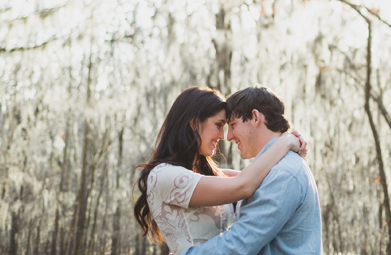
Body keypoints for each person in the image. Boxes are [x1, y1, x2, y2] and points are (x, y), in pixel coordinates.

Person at [133, 86, 307, 255]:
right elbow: (244, 185)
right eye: (219, 125)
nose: (223, 136)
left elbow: (265, 179)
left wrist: (290, 152)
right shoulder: (163, 175)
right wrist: (285, 142)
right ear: (194, 124)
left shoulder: (204, 175)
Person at [186, 85, 323, 255]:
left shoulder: (284, 174)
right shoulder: (275, 169)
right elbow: (233, 180)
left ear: (255, 117)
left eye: (233, 125)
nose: (228, 137)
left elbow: (241, 242)